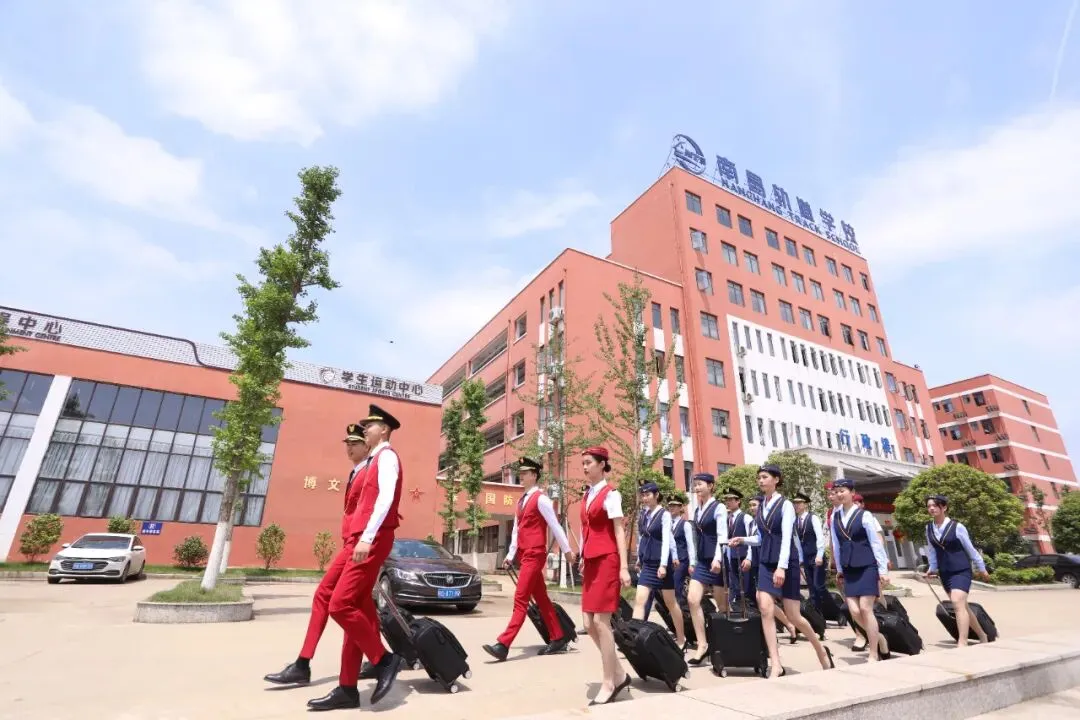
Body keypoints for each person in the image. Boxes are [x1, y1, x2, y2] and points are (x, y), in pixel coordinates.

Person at [308, 405, 406, 711]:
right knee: (356, 609)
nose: (365, 430)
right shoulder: (373, 459)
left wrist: (367, 537)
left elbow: (385, 499)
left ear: (384, 430)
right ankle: (348, 688)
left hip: (371, 539)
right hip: (362, 538)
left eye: (370, 426)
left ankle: (384, 659)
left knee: (339, 604)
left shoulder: (387, 457)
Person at [264, 425, 376, 687]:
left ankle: (304, 663)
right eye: (347, 443)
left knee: (327, 595)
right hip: (351, 542)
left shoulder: (370, 471)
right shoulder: (356, 471)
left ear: (367, 446)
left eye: (355, 443)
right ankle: (379, 658)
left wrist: (365, 540)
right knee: (361, 606)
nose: (349, 448)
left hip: (358, 544)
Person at [730, 465, 834, 678]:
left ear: (776, 479)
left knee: (794, 616)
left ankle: (820, 649)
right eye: (759, 477)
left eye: (765, 477)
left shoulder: (785, 505)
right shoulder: (762, 506)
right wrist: (743, 539)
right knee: (765, 607)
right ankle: (776, 663)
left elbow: (786, 537)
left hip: (786, 563)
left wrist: (782, 567)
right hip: (766, 563)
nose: (760, 480)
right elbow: (761, 537)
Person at [483, 457, 576, 661]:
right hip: (524, 554)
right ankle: (558, 637)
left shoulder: (541, 499)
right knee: (541, 598)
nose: (521, 476)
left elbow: (555, 525)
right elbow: (516, 531)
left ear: (534, 475)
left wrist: (568, 550)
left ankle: (503, 644)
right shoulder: (521, 500)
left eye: (525, 473)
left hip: (535, 554)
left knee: (520, 598)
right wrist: (510, 555)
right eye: (521, 473)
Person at [577, 446, 632, 706]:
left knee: (601, 622)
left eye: (588, 462)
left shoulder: (611, 494)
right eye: (583, 463)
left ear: (602, 464)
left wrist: (624, 567)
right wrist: (582, 556)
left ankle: (609, 681)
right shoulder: (587, 494)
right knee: (588, 624)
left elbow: (619, 530)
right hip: (590, 561)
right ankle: (619, 673)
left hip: (608, 560)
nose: (585, 467)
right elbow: (585, 529)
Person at [829, 478, 891, 662]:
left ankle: (873, 653)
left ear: (852, 493)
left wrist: (882, 570)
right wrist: (839, 569)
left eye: (843, 491)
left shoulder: (865, 515)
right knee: (854, 612)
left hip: (867, 566)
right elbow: (837, 545)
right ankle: (880, 639)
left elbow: (875, 543)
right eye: (836, 491)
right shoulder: (834, 517)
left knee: (865, 608)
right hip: (849, 569)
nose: (839, 494)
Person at [923, 494, 991, 646]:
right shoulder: (928, 528)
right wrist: (932, 568)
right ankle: (982, 635)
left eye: (935, 505)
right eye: (929, 506)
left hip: (961, 570)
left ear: (944, 507)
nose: (931, 508)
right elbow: (932, 551)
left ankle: (962, 642)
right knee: (962, 606)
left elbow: (970, 549)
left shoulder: (957, 527)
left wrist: (982, 568)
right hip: (945, 572)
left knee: (956, 602)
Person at [632, 483, 686, 648]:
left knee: (670, 602)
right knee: (640, 600)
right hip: (647, 564)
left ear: (656, 495)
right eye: (643, 495)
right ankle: (635, 640)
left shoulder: (664, 514)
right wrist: (639, 557)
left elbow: (667, 540)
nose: (645, 498)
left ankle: (681, 639)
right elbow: (642, 537)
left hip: (661, 564)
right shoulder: (644, 514)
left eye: (648, 495)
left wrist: (663, 565)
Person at [685, 472, 728, 666]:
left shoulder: (719, 507)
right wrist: (694, 561)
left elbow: (722, 535)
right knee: (692, 599)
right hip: (703, 561)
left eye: (700, 484)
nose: (697, 488)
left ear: (711, 486)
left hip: (717, 560)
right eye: (695, 485)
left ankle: (726, 644)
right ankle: (702, 645)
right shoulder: (697, 510)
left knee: (722, 607)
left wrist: (718, 559)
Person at [793, 493, 827, 611]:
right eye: (795, 503)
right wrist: (801, 558)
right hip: (807, 558)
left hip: (816, 556)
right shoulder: (795, 521)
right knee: (812, 588)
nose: (796, 505)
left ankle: (834, 611)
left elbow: (820, 538)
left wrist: (820, 555)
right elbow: (797, 542)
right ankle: (817, 613)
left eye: (799, 503)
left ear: (805, 504)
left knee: (819, 586)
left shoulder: (813, 518)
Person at [721, 488, 753, 610]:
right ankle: (738, 610)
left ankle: (750, 612)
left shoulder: (746, 517)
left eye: (730, 499)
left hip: (743, 557)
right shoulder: (727, 519)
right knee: (735, 587)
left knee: (746, 588)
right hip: (731, 557)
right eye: (726, 500)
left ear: (738, 501)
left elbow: (751, 539)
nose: (728, 502)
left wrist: (749, 558)